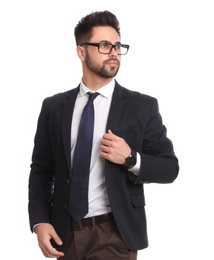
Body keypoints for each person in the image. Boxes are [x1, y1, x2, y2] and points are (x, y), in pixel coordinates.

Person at [28, 10, 179, 260]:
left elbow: (170, 168)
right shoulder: (54, 107)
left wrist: (131, 158)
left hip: (115, 233)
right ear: (81, 51)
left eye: (118, 46)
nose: (114, 52)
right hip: (64, 234)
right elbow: (42, 169)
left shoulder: (141, 106)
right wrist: (40, 221)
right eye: (104, 45)